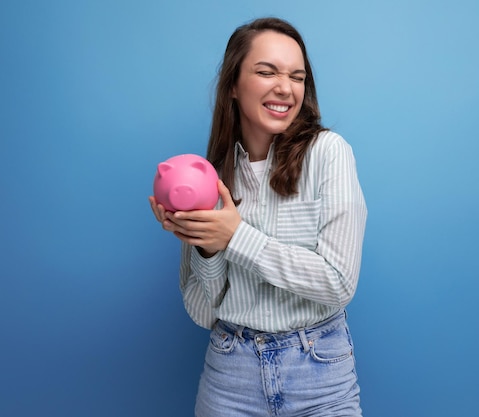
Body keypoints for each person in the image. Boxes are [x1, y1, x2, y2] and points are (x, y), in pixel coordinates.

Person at [149, 17, 367, 417]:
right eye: (266, 71)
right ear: (233, 84)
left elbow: (338, 282)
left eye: (296, 76)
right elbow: (201, 312)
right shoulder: (209, 178)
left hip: (319, 375)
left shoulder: (329, 153)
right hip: (230, 375)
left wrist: (236, 237)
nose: (285, 87)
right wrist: (210, 249)